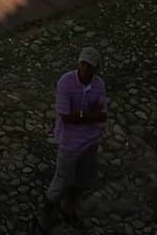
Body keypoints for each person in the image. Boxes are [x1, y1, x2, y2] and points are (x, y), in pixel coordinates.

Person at [32, 47, 108, 230]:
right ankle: (44, 221)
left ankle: (69, 210)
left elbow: (102, 115)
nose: (85, 69)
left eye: (90, 66)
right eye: (83, 64)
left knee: (80, 181)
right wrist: (88, 115)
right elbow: (66, 116)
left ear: (95, 68)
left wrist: (80, 115)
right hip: (69, 143)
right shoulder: (65, 83)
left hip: (91, 141)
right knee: (60, 182)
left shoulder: (99, 85)